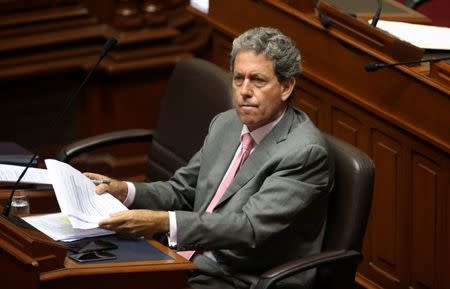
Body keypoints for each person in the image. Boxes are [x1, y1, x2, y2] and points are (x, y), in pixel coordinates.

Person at [86, 27, 334, 289]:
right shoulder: (226, 123)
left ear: (286, 87)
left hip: (237, 277)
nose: (244, 91)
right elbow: (182, 191)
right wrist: (125, 191)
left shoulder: (304, 152)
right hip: (183, 257)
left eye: (257, 80)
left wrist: (162, 221)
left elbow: (248, 227)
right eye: (238, 79)